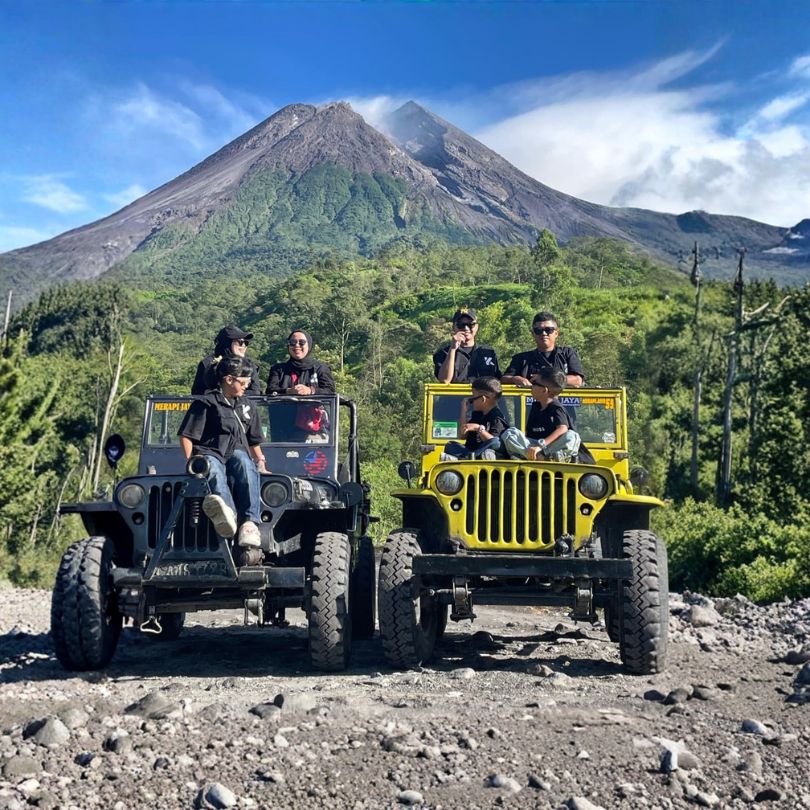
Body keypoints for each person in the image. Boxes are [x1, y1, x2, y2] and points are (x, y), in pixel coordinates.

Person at [178, 356, 266, 549]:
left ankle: (250, 524)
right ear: (228, 379)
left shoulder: (248, 406)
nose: (246, 386)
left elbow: (253, 440)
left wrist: (261, 461)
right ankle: (228, 515)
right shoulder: (206, 403)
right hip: (210, 451)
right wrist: (190, 462)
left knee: (245, 463)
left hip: (237, 451)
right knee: (213, 469)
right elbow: (186, 435)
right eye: (243, 382)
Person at [500, 369, 581, 461]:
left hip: (550, 446)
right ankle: (536, 456)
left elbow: (562, 428)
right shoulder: (536, 406)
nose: (531, 386)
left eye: (534, 383)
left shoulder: (556, 407)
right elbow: (529, 436)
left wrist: (541, 445)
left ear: (544, 390)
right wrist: (533, 446)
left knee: (572, 436)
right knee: (510, 433)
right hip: (533, 446)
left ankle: (548, 456)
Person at [501, 312, 584, 388]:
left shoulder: (568, 354)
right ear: (533, 334)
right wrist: (516, 379)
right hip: (529, 403)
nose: (544, 333)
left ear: (556, 333)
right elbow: (504, 379)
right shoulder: (521, 358)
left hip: (563, 403)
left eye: (548, 330)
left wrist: (545, 379)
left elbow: (577, 380)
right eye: (538, 330)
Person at [440, 376, 509, 461]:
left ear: (483, 399)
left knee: (495, 442)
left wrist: (478, 428)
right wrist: (463, 411)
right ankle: (466, 458)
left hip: (486, 454)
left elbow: (494, 444)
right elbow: (463, 435)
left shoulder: (497, 417)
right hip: (472, 452)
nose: (470, 401)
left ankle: (464, 459)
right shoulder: (477, 414)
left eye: (473, 397)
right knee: (450, 445)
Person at [433, 308, 501, 384]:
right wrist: (452, 349)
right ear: (454, 327)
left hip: (483, 395)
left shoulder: (488, 352)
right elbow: (445, 380)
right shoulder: (443, 353)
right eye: (461, 325)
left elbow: (497, 381)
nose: (466, 328)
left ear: (477, 327)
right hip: (455, 395)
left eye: (470, 324)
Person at [192, 325, 261, 395]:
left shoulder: (249, 364)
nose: (244, 346)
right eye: (240, 342)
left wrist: (234, 397)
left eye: (246, 343)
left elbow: (255, 391)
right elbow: (198, 392)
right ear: (227, 343)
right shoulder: (208, 363)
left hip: (242, 405)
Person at [265, 329, 336, 396]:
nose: (297, 345)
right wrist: (288, 391)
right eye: (292, 342)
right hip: (284, 408)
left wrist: (310, 390)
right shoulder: (277, 369)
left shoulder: (320, 369)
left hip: (313, 408)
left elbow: (330, 391)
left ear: (309, 345)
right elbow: (270, 391)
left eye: (302, 342)